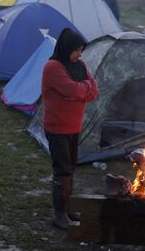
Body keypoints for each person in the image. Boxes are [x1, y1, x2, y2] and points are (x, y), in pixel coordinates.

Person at [42, 28, 99, 229]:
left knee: (70, 167)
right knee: (62, 169)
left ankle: (67, 209)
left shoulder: (80, 65)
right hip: (57, 127)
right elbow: (71, 89)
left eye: (81, 50)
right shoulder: (52, 67)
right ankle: (59, 214)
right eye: (76, 51)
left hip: (74, 126)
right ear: (66, 49)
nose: (79, 55)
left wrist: (79, 90)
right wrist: (81, 89)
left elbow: (94, 91)